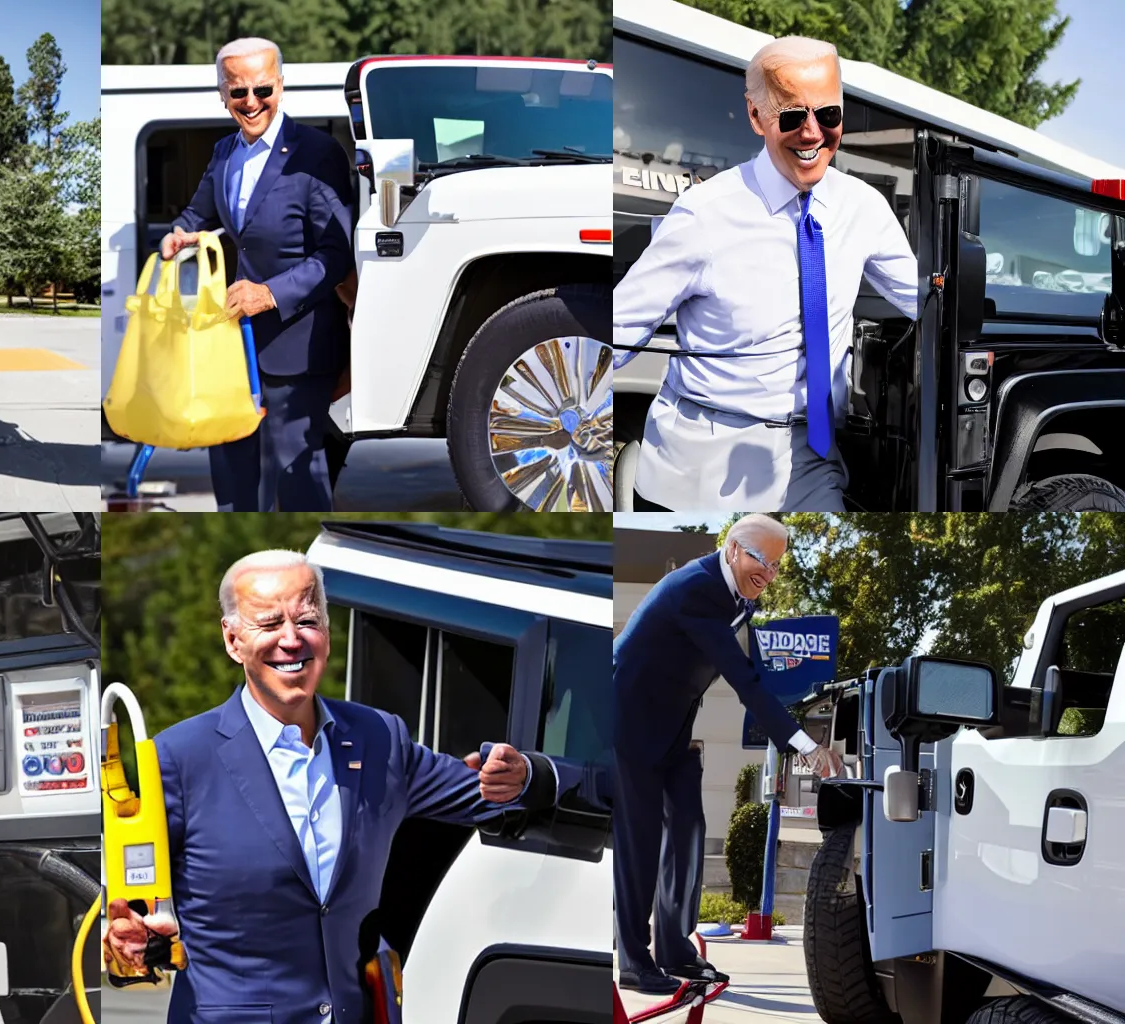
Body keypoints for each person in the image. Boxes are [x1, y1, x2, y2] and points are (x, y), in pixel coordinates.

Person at [99, 549, 568, 1024]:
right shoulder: (176, 758)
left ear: (326, 630)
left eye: (307, 620)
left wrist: (530, 773)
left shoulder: (379, 737)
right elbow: (134, 919)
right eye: (268, 623)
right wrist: (131, 946)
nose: (291, 639)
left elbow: (492, 798)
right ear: (233, 639)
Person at [612, 36, 919, 512]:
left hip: (814, 457)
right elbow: (613, 333)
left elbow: (929, 302)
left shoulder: (864, 209)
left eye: (829, 115)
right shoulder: (703, 215)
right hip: (701, 462)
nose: (813, 133)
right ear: (755, 117)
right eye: (793, 116)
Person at [609, 514, 843, 994]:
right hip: (627, 721)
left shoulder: (739, 594)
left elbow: (744, 674)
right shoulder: (698, 588)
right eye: (763, 560)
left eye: (778, 565)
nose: (770, 574)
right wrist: (803, 746)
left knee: (690, 828)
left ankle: (673, 947)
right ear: (734, 548)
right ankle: (633, 961)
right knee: (641, 840)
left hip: (673, 726)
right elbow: (743, 679)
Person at [163, 37, 355, 512]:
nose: (252, 102)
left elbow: (336, 254)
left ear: (281, 86)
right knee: (230, 468)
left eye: (263, 89)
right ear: (223, 95)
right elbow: (197, 212)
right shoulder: (223, 152)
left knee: (298, 478)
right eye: (238, 92)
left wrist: (269, 294)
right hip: (229, 343)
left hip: (298, 345)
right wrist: (179, 233)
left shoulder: (317, 153)